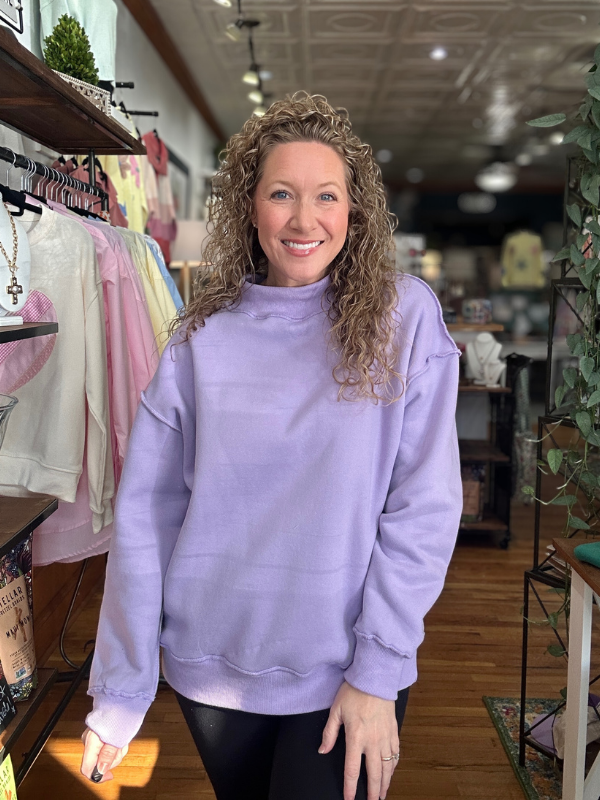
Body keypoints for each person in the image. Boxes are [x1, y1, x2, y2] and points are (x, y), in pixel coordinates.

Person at [79, 93, 462, 800]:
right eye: (281, 194)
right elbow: (146, 518)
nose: (304, 219)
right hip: (211, 664)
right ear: (250, 208)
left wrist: (377, 671)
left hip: (347, 670)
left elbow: (425, 510)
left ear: (356, 211)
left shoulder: (404, 320)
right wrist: (124, 689)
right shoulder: (201, 339)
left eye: (327, 196)